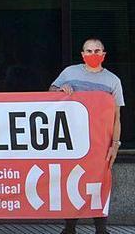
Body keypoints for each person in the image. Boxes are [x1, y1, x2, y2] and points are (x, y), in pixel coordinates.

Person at [52, 38, 124, 234]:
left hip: (101, 142)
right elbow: (50, 93)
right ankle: (70, 228)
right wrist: (61, 90)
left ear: (104, 54)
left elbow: (117, 117)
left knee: (99, 183)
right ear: (83, 54)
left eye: (97, 51)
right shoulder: (69, 72)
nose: (93, 54)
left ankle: (101, 229)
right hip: (73, 139)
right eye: (89, 51)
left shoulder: (113, 81)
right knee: (71, 181)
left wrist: (115, 145)